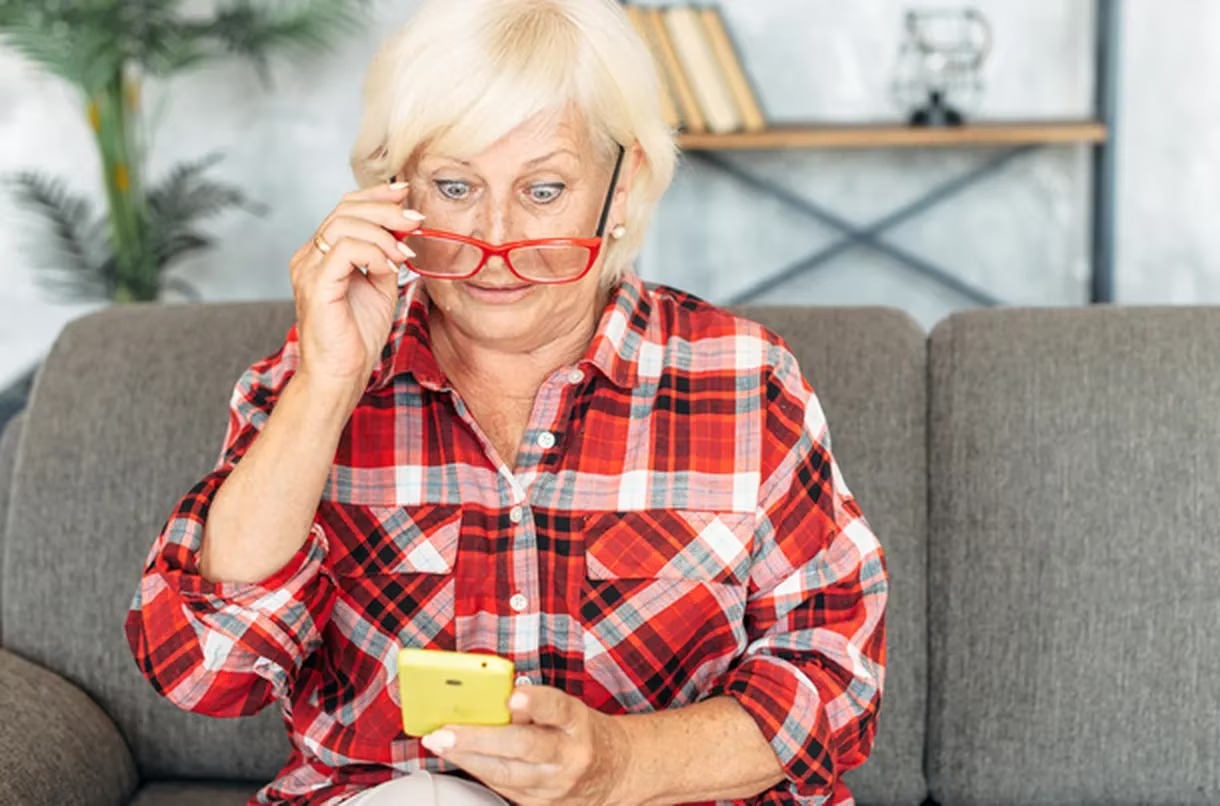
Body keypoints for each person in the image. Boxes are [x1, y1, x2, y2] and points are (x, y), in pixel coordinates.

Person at [124, 0, 888, 803]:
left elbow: (836, 684)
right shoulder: (312, 377)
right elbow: (206, 672)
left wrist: (619, 764)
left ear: (620, 187)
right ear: (395, 190)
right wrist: (326, 389)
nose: (493, 243)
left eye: (544, 190)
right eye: (454, 186)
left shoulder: (744, 379)